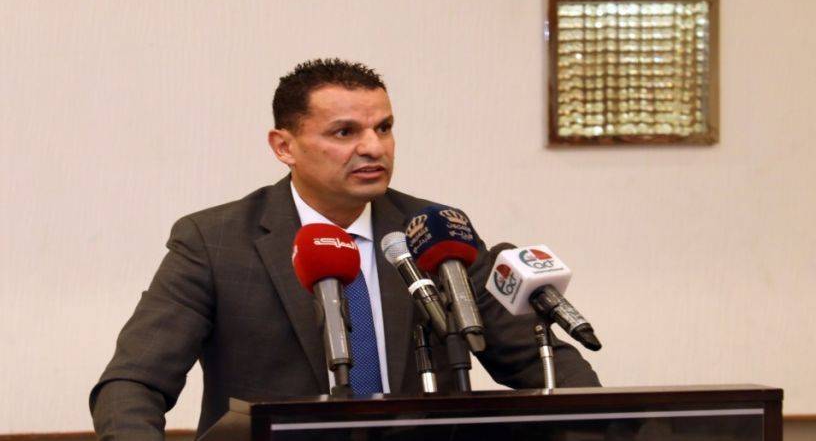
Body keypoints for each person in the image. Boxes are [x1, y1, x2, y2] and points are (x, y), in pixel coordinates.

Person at [90, 59, 600, 439]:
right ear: (284, 146)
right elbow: (133, 383)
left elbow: (538, 359)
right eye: (344, 132)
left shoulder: (435, 233)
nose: (373, 147)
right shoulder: (216, 241)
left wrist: (603, 424)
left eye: (384, 128)